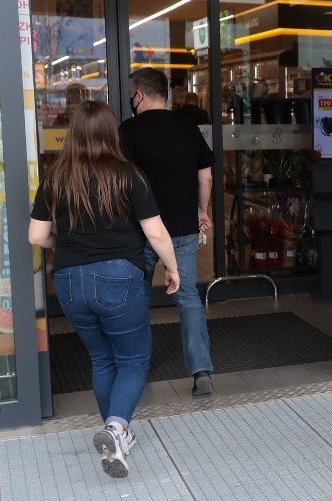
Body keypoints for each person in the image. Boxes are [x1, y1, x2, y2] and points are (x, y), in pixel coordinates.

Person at [28, 100, 180, 479]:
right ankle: (115, 428)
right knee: (132, 359)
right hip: (117, 278)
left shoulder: (55, 177)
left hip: (68, 282)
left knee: (101, 359)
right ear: (111, 133)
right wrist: (173, 269)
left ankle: (117, 433)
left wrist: (63, 247)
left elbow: (37, 235)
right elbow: (156, 232)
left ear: (74, 133)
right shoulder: (129, 175)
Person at [119, 67, 216, 396]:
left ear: (139, 94)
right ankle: (201, 370)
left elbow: (122, 183)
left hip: (142, 230)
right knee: (188, 298)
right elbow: (206, 177)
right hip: (183, 229)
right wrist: (202, 211)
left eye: (132, 94)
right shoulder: (187, 126)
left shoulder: (129, 131)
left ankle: (138, 365)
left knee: (138, 298)